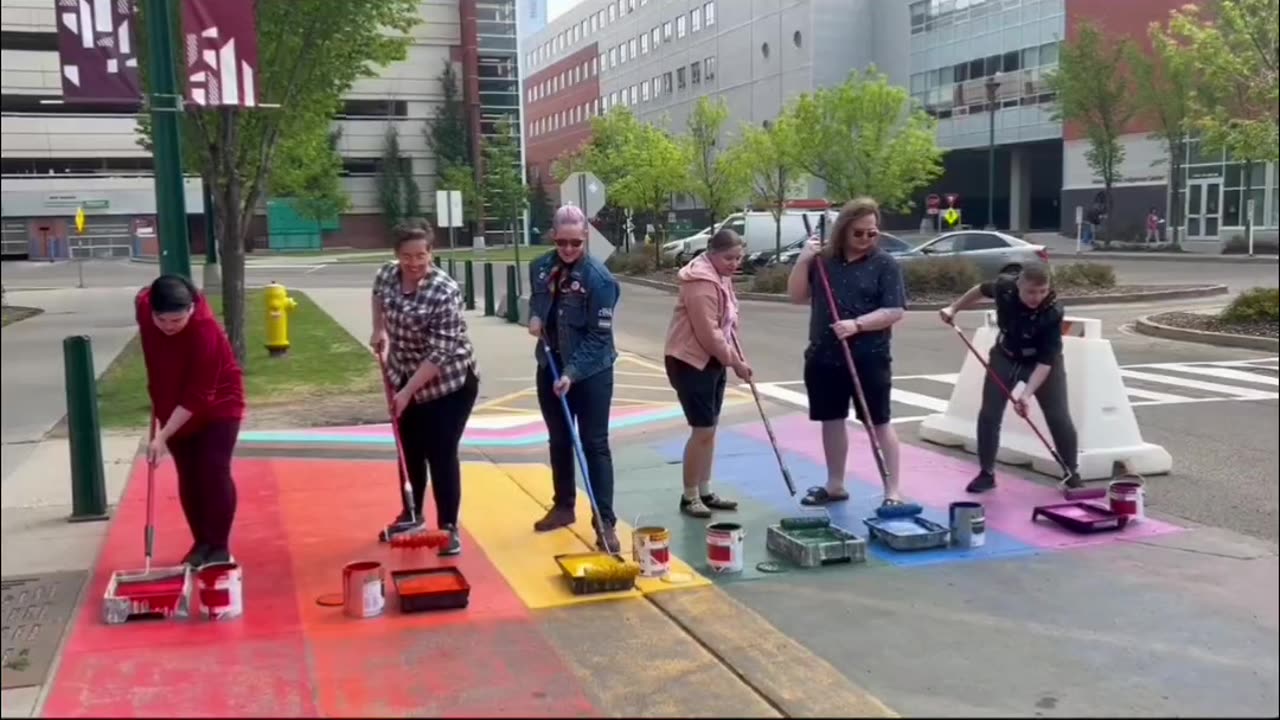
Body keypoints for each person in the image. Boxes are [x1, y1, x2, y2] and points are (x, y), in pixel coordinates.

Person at [786, 198, 907, 510]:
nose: (867, 239)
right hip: (824, 355)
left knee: (879, 420)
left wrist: (858, 324)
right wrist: (803, 260)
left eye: (872, 233)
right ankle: (835, 483)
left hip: (869, 354)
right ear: (842, 231)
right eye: (859, 233)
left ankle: (893, 489)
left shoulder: (884, 264)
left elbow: (894, 310)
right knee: (832, 419)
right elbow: (797, 296)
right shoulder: (823, 261)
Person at [370, 223, 480, 555]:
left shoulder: (444, 290)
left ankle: (448, 526)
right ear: (396, 255)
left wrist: (407, 394)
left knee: (441, 452)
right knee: (409, 448)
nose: (414, 263)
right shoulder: (387, 274)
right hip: (403, 371)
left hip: (449, 382)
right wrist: (379, 331)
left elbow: (440, 353)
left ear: (431, 252)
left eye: (421, 255)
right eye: (407, 256)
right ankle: (412, 513)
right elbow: (377, 295)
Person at [527, 205, 623, 552]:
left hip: (592, 371)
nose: (568, 249)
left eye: (575, 243)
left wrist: (571, 373)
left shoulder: (600, 279)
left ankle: (604, 522)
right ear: (554, 236)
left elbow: (599, 338)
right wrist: (535, 317)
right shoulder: (540, 268)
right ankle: (564, 505)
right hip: (549, 365)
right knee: (559, 439)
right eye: (562, 242)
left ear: (585, 237)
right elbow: (539, 304)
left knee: (594, 443)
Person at [939, 264, 1083, 493]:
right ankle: (986, 473)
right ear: (1019, 286)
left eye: (1042, 291)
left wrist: (1025, 396)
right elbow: (980, 289)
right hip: (1005, 356)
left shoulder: (1053, 312)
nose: (1037, 297)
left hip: (1041, 362)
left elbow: (1046, 362)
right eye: (1031, 292)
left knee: (1058, 416)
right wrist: (953, 308)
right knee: (989, 414)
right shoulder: (1005, 287)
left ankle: (1071, 473)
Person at [136, 274, 245, 568]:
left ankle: (219, 546)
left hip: (218, 402)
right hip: (169, 398)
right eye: (162, 320)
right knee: (189, 474)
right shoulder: (144, 306)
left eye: (177, 320)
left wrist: (161, 436)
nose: (169, 327)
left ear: (191, 310)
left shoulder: (204, 332)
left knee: (212, 470)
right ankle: (201, 544)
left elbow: (199, 396)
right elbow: (144, 295)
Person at [663, 229, 751, 518]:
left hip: (712, 360)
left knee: (710, 429)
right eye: (728, 258)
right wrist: (735, 363)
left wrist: (736, 356)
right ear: (712, 253)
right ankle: (689, 496)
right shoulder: (700, 282)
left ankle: (705, 490)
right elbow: (708, 333)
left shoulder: (721, 278)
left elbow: (727, 323)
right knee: (702, 429)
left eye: (739, 258)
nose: (734, 263)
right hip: (690, 360)